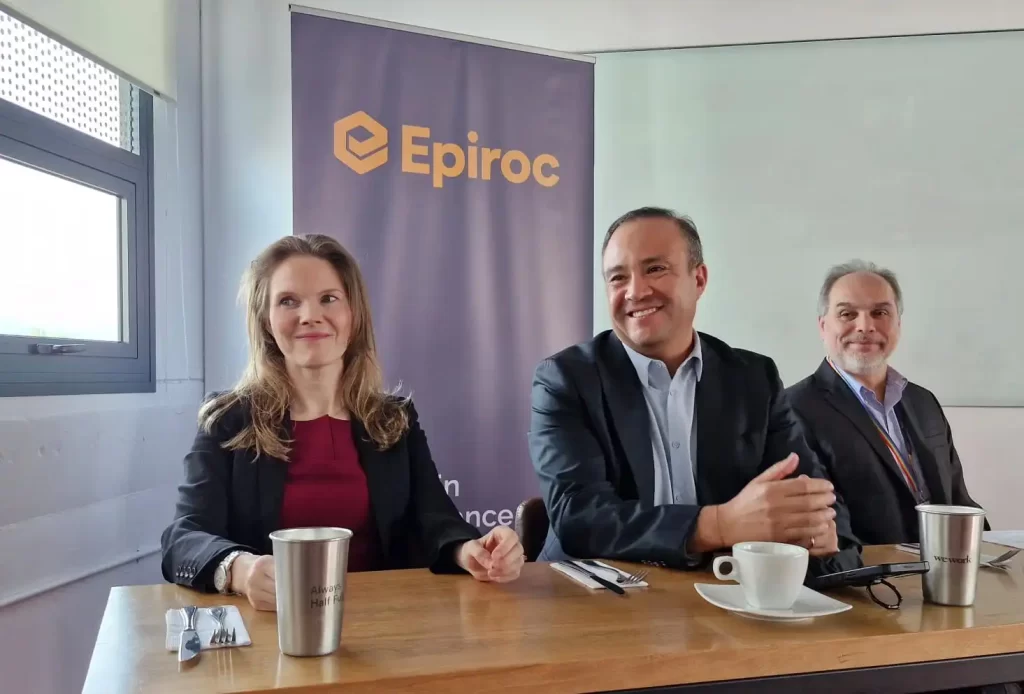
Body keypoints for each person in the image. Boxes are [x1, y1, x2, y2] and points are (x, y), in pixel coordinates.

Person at [161, 234, 524, 610]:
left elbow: (435, 519)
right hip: (271, 625)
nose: (309, 315)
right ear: (266, 321)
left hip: (384, 621)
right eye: (288, 301)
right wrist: (239, 569)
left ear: (354, 315)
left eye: (328, 299)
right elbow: (183, 538)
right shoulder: (228, 420)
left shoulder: (394, 419)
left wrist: (468, 550)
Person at [528, 206, 860, 574]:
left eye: (655, 269)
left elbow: (814, 495)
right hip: (590, 591)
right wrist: (718, 524)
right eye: (618, 278)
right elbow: (579, 517)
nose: (635, 291)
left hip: (721, 587)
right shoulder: (566, 379)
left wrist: (823, 539)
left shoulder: (753, 378)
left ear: (699, 279)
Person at [786, 260, 986, 545]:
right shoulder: (793, 410)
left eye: (880, 313)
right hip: (866, 570)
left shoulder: (923, 401)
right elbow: (826, 527)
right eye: (847, 314)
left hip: (946, 564)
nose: (865, 326)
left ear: (898, 324)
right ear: (823, 326)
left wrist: (990, 550)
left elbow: (958, 500)